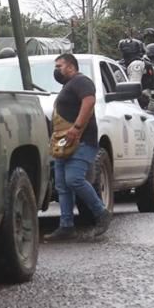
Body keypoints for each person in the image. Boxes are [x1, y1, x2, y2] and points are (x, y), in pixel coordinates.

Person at [44, 53, 111, 241]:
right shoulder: (68, 86)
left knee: (74, 179)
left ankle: (101, 213)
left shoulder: (81, 81)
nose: (56, 70)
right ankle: (66, 226)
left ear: (71, 67)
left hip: (81, 141)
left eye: (59, 66)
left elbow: (89, 102)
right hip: (64, 143)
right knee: (63, 185)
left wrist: (77, 127)